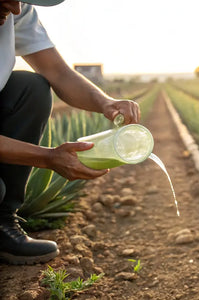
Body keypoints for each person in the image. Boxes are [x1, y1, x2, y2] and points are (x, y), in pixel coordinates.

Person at [0, 0, 140, 265]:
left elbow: (58, 73)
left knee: (31, 87)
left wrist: (105, 103)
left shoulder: (16, 11)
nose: (16, 9)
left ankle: (2, 223)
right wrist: (48, 157)